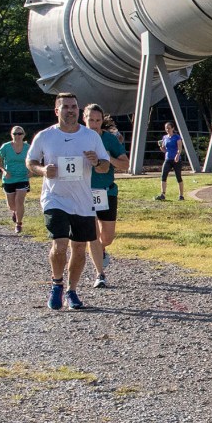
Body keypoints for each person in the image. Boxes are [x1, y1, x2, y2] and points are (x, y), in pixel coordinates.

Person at [23, 92, 111, 311]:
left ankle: (72, 291)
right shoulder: (45, 136)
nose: (70, 110)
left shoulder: (90, 136)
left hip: (82, 200)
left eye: (73, 106)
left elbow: (104, 166)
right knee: (60, 243)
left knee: (79, 248)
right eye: (65, 107)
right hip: (55, 198)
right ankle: (56, 284)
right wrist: (43, 170)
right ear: (57, 111)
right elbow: (30, 161)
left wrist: (97, 161)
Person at [81, 105, 127, 288]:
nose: (94, 124)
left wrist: (108, 159)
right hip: (83, 192)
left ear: (102, 121)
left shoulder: (109, 139)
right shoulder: (77, 138)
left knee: (107, 237)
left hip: (106, 191)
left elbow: (125, 164)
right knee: (92, 234)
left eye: (98, 120)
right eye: (90, 120)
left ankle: (102, 249)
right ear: (84, 119)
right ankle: (100, 274)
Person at [0, 126, 32, 234]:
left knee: (19, 201)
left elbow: (34, 159)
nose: (17, 136)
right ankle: (15, 212)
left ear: (23, 135)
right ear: (11, 135)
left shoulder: (28, 147)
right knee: (12, 205)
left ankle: (19, 224)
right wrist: (4, 170)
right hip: (9, 178)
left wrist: (31, 170)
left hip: (23, 177)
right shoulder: (6, 147)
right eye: (15, 134)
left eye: (19, 134)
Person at [157, 121, 187, 200]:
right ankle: (162, 194)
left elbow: (180, 148)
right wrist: (161, 147)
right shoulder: (165, 137)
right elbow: (164, 150)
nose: (167, 130)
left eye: (169, 128)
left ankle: (181, 195)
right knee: (163, 176)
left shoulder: (177, 137)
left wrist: (177, 155)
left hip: (176, 160)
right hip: (168, 159)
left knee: (178, 177)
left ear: (173, 128)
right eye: (166, 128)